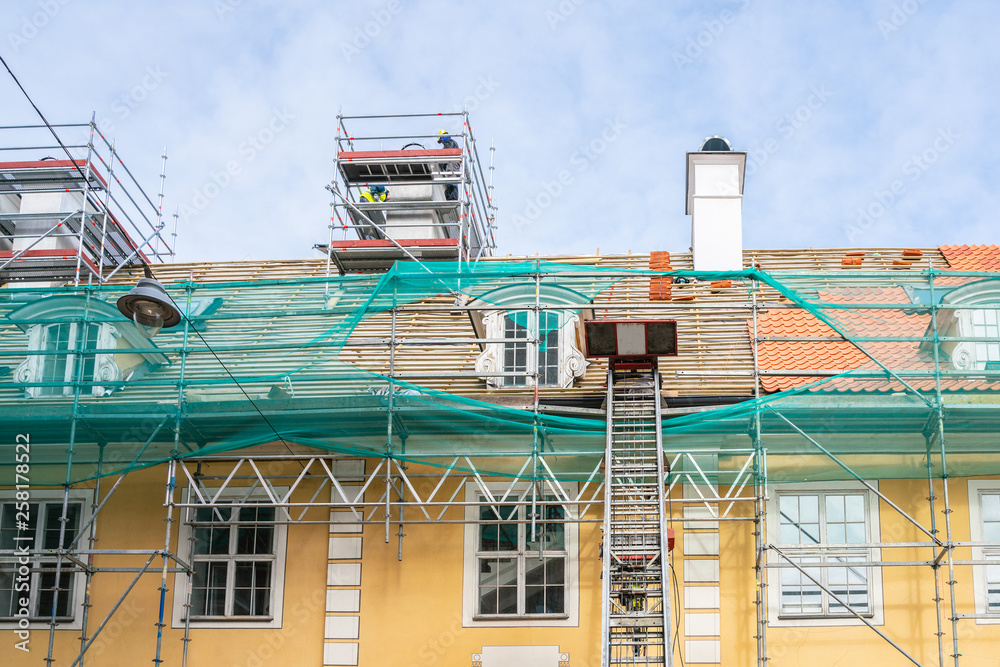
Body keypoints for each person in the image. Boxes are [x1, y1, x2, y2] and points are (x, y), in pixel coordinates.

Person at [437, 130, 460, 201]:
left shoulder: (449, 142)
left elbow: (446, 152)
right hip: (453, 164)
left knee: (451, 177)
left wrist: (439, 162)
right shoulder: (452, 143)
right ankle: (450, 195)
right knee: (450, 178)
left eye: (441, 140)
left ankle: (452, 197)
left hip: (452, 163)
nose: (442, 143)